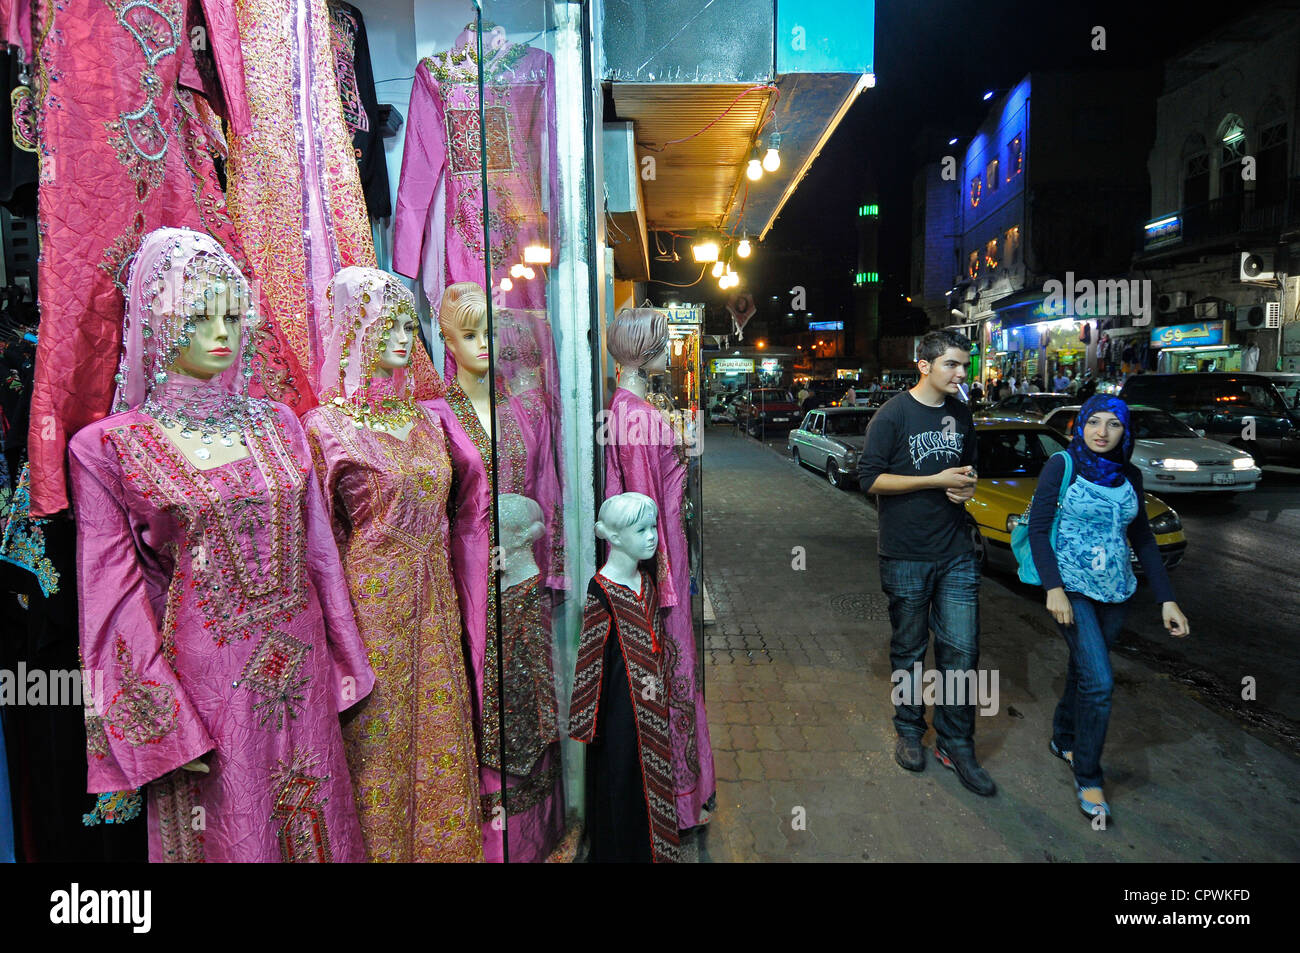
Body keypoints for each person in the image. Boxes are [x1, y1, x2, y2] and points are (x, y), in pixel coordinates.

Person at [1027, 395, 1189, 820]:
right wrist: (1054, 588)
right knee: (1100, 683)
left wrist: (1166, 599)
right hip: (1072, 588)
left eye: (1112, 424)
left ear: (1124, 431)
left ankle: (1063, 736)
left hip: (1117, 589)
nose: (1101, 432)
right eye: (1093, 422)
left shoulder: (1129, 475)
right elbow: (1040, 530)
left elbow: (1143, 539)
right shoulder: (1061, 466)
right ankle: (1089, 776)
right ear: (1080, 426)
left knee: (1083, 670)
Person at [858, 329, 994, 796]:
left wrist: (965, 486)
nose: (961, 374)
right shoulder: (893, 414)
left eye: (964, 366)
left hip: (955, 551)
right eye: (952, 365)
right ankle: (910, 731)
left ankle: (957, 742)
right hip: (905, 554)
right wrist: (933, 479)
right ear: (925, 365)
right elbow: (869, 478)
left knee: (962, 652)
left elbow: (971, 467)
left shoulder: (960, 413)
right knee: (910, 650)